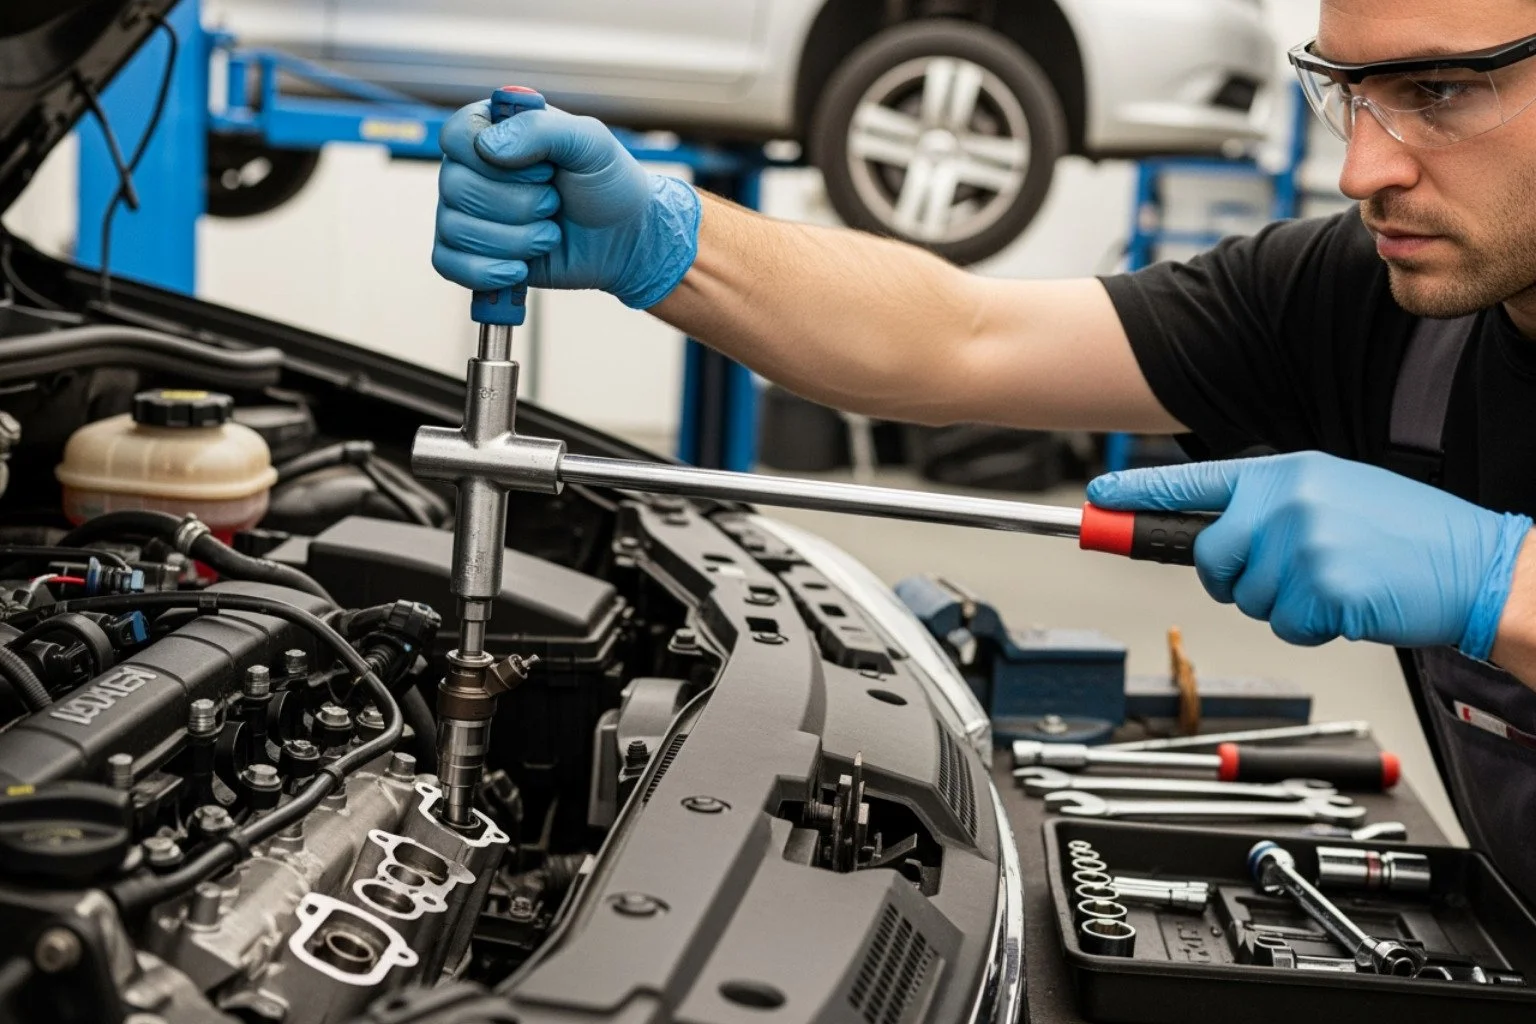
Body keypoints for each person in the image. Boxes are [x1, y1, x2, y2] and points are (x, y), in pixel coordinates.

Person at [431, 0, 1536, 899]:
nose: (1363, 172)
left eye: (1437, 94)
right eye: (1351, 96)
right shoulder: (1368, 302)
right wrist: (667, 242)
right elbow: (961, 337)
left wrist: (1503, 584)